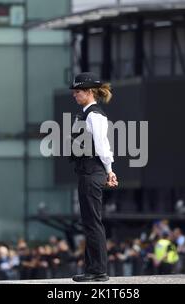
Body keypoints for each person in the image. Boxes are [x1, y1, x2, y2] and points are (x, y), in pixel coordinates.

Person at [69, 72, 118, 282]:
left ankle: (98, 270)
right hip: (88, 172)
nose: (74, 95)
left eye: (78, 91)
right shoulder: (87, 113)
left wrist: (109, 170)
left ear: (89, 92)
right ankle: (93, 270)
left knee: (93, 222)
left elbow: (102, 146)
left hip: (92, 172)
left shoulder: (94, 115)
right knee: (89, 222)